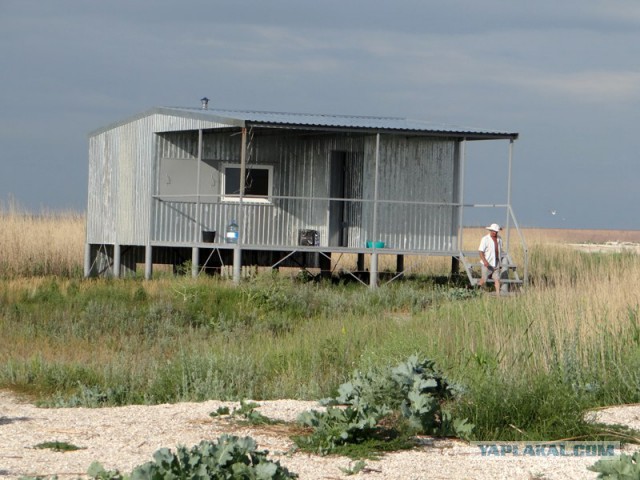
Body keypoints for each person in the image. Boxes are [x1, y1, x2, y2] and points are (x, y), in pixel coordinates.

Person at [477, 223, 503, 294]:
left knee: (497, 279)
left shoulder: (499, 239)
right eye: (493, 231)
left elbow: (500, 250)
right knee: (484, 279)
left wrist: (500, 262)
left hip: (496, 261)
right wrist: (485, 261)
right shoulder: (485, 239)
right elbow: (480, 251)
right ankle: (476, 289)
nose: (494, 232)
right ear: (490, 230)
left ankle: (498, 295)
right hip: (487, 262)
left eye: (496, 231)